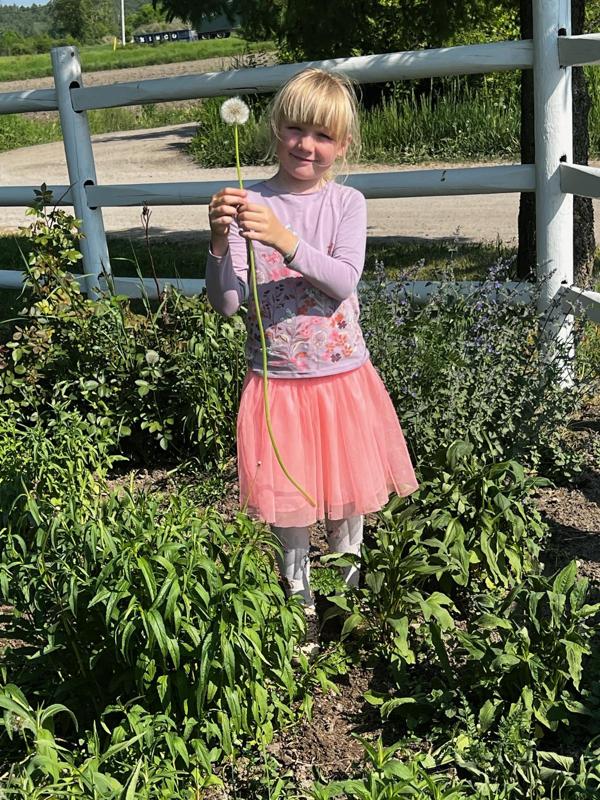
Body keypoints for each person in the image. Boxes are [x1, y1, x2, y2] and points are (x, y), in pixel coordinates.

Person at [205, 68, 418, 648]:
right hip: (278, 383)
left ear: (343, 145)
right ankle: (298, 611)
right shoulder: (249, 202)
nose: (307, 145)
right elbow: (227, 303)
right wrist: (220, 242)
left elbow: (343, 279)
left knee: (348, 503)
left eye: (324, 136)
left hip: (341, 378)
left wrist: (282, 238)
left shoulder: (346, 202)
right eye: (297, 129)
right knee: (290, 510)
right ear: (275, 129)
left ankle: (345, 605)